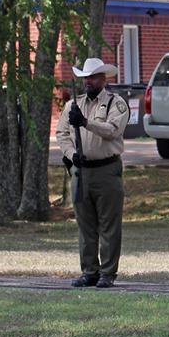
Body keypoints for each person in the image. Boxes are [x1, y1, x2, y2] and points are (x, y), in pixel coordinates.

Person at [56, 58, 129, 289]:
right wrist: (71, 154)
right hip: (81, 170)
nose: (88, 81)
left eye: (93, 77)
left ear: (103, 79)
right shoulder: (72, 105)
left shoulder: (115, 104)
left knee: (109, 224)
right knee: (85, 224)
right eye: (85, 77)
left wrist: (86, 123)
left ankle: (108, 272)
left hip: (106, 169)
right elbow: (62, 133)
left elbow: (111, 131)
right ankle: (89, 271)